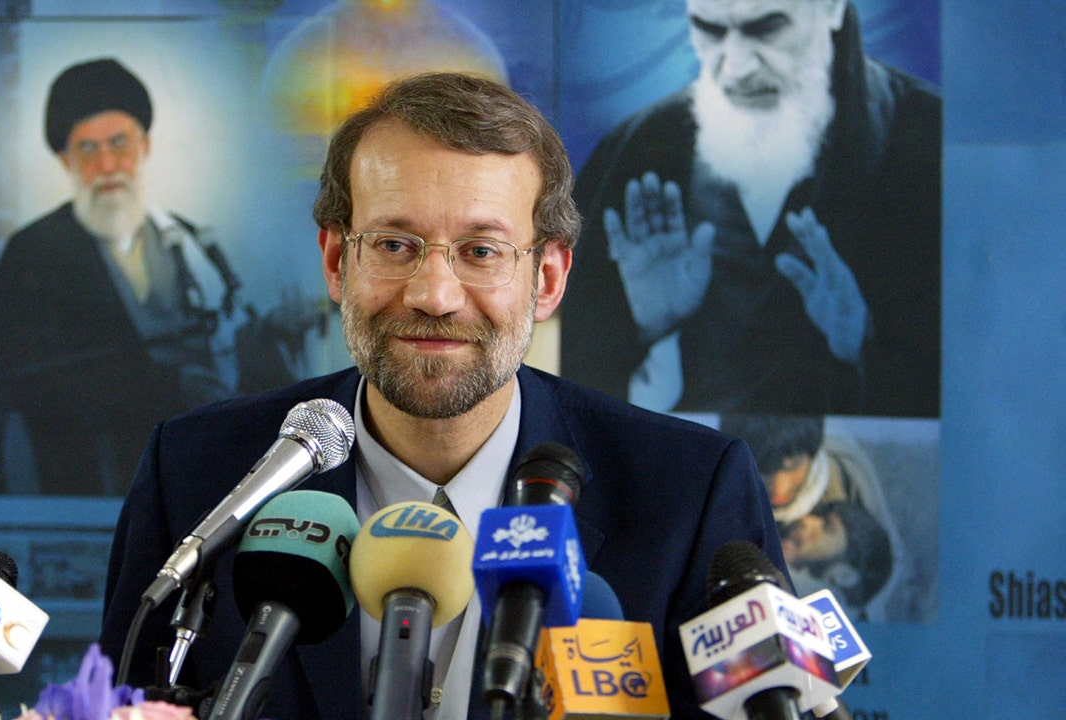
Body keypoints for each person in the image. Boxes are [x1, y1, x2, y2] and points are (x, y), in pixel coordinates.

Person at [100, 72, 786, 720]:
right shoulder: (196, 474)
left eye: (481, 251)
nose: (434, 295)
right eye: (395, 245)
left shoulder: (690, 493)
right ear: (337, 262)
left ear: (547, 279)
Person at [560, 0, 940, 417]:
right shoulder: (638, 148)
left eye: (766, 28)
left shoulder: (930, 139)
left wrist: (862, 340)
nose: (736, 68)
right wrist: (650, 330)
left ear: (831, 8)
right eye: (710, 31)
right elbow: (574, 396)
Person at [0, 57, 247, 496]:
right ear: (65, 160)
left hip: (194, 470)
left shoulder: (186, 240)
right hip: (92, 478)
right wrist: (172, 387)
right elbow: (36, 381)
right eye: (88, 149)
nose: (107, 164)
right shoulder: (30, 254)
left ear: (144, 146)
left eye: (119, 143)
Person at [719, 413, 902, 619]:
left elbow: (882, 558)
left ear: (812, 454)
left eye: (793, 466)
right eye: (764, 470)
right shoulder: (724, 488)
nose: (779, 488)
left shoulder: (843, 474)